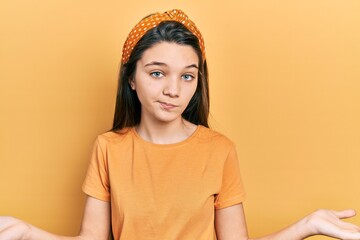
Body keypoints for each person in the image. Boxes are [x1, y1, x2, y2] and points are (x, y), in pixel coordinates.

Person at [0, 9, 359, 240]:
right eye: (157, 73)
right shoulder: (108, 148)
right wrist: (26, 231)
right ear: (131, 79)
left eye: (188, 77)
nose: (174, 90)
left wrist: (307, 225)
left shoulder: (218, 150)